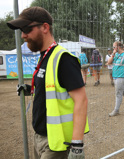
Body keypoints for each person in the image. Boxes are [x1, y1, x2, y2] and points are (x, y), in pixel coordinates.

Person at [7, 7, 89, 159]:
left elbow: (81, 100)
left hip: (56, 143)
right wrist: (30, 89)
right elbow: (51, 89)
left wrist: (77, 145)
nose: (23, 35)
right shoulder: (45, 57)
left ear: (45, 27)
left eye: (26, 29)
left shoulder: (64, 59)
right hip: (40, 137)